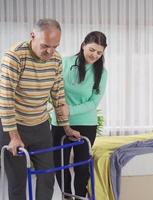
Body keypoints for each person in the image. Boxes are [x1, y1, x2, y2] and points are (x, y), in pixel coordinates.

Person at [0, 18, 78, 200]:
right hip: (13, 124)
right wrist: (14, 137)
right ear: (33, 36)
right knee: (18, 181)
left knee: (47, 176)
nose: (50, 51)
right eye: (45, 45)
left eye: (55, 46)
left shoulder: (55, 59)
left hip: (39, 123)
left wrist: (66, 127)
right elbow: (6, 98)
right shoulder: (15, 56)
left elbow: (57, 94)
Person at [50, 31, 108, 199]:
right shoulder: (63, 63)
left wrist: (70, 110)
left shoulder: (102, 73)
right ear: (83, 45)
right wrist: (62, 112)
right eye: (92, 49)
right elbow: (53, 90)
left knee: (81, 167)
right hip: (59, 123)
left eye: (99, 52)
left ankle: (80, 197)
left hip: (86, 124)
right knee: (59, 165)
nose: (95, 55)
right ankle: (66, 196)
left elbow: (93, 102)